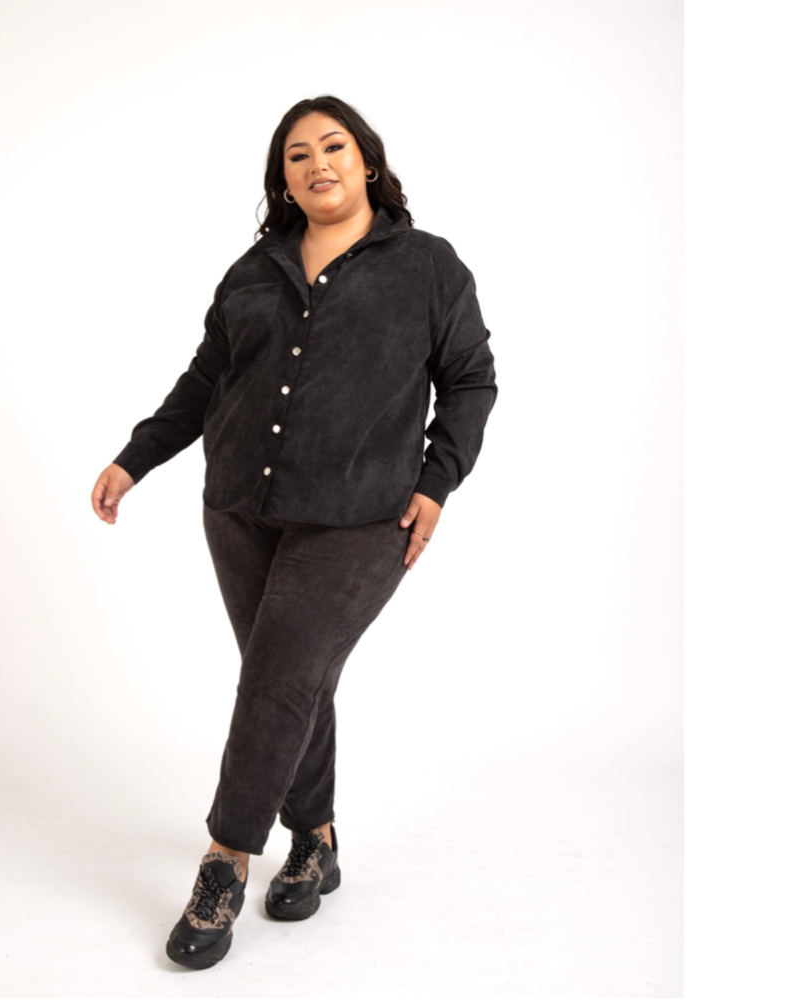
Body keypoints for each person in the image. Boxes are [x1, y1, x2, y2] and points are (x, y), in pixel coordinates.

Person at [90, 94, 498, 970]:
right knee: (290, 679)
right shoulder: (253, 270)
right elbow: (206, 381)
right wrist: (135, 458)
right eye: (298, 155)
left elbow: (471, 379)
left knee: (277, 681)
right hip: (240, 509)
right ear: (282, 179)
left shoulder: (427, 265)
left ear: (367, 161)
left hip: (360, 517)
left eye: (334, 146)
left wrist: (438, 483)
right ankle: (315, 839)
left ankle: (225, 861)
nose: (319, 164)